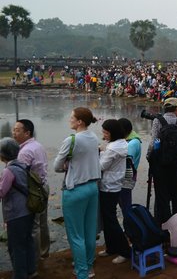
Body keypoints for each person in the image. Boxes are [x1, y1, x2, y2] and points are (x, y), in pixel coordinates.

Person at [53, 107, 101, 279]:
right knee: (89, 231)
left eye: (72, 117)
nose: (69, 119)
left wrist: (67, 165)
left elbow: (56, 166)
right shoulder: (94, 137)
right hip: (92, 188)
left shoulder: (72, 140)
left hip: (75, 190)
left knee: (76, 235)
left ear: (79, 121)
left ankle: (82, 273)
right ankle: (89, 267)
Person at [146, 97, 177, 224]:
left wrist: (150, 158)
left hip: (161, 166)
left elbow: (154, 143)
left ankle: (163, 227)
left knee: (162, 198)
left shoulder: (157, 121)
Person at [12, 119, 50, 261]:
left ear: (27, 133)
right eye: (14, 129)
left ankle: (34, 258)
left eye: (17, 130)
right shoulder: (37, 145)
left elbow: (20, 176)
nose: (13, 133)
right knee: (42, 222)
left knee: (34, 226)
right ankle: (44, 252)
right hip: (43, 186)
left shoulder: (24, 152)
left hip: (34, 191)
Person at [0, 137, 37, 279]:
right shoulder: (22, 165)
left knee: (16, 247)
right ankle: (31, 270)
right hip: (29, 210)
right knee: (27, 241)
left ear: (3, 155)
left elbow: (2, 192)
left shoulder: (8, 170)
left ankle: (20, 275)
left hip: (16, 214)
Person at [97, 119, 131, 264]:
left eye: (105, 132)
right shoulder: (121, 143)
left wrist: (98, 154)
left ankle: (125, 251)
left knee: (110, 220)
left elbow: (101, 166)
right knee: (107, 218)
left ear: (113, 132)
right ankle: (111, 247)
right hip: (115, 184)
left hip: (109, 186)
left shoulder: (112, 149)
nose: (103, 134)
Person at [117, 118, 142, 216]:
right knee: (124, 204)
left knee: (126, 206)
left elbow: (126, 161)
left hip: (126, 179)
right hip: (126, 178)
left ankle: (130, 228)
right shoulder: (131, 140)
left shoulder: (132, 143)